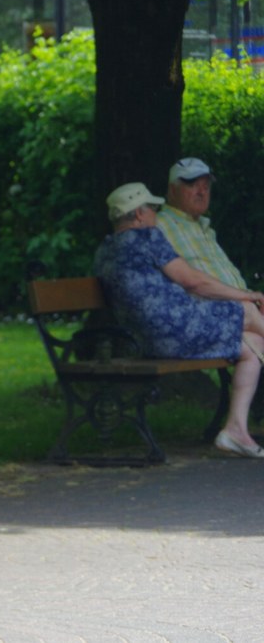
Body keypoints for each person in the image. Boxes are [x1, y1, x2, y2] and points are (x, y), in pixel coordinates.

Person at [94, 182, 264, 459]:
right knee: (246, 309)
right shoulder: (148, 237)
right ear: (139, 214)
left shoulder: (104, 251)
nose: (156, 215)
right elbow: (193, 281)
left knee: (253, 344)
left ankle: (235, 430)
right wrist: (247, 294)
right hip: (176, 330)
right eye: (153, 209)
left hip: (147, 341)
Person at [156, 157, 249, 289]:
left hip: (245, 304)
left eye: (206, 186)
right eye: (192, 185)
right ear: (172, 190)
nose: (201, 192)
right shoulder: (158, 225)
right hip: (210, 307)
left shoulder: (206, 229)